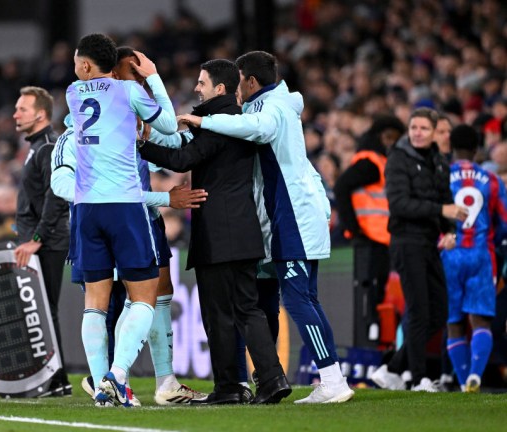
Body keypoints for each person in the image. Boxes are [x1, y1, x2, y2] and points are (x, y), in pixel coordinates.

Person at [177, 51, 353, 404]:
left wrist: (203, 123)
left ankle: (333, 379)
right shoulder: (263, 106)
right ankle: (261, 378)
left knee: (300, 297)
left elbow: (259, 129)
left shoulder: (274, 107)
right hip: (274, 219)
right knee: (263, 299)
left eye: (239, 80)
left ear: (250, 81)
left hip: (294, 216)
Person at [139, 58, 291, 405]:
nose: (196, 88)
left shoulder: (216, 125)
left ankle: (230, 387)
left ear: (220, 89)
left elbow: (181, 161)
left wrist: (139, 143)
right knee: (248, 309)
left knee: (220, 314)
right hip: (244, 230)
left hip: (219, 236)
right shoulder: (237, 123)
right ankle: (272, 377)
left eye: (202, 83)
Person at [65, 33, 178, 407]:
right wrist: (154, 77)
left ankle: (103, 390)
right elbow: (169, 127)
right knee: (144, 295)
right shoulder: (128, 92)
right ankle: (118, 375)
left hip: (85, 210)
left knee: (94, 304)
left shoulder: (72, 93)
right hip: (124, 206)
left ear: (84, 65)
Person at [371, 107, 469, 392]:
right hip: (406, 241)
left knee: (438, 312)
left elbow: (445, 201)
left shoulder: (439, 162)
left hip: (429, 243)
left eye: (424, 128)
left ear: (434, 132)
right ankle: (417, 378)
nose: (417, 132)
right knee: (418, 310)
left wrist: (450, 231)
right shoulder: (398, 160)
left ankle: (391, 369)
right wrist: (443, 210)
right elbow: (400, 204)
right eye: (414, 127)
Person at [12, 86, 71, 397]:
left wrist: (37, 238)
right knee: (40, 310)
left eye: (22, 109)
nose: (15, 114)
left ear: (40, 114)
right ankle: (53, 379)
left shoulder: (48, 145)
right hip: (40, 239)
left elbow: (56, 194)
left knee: (44, 311)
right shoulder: (38, 146)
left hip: (48, 241)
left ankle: (55, 379)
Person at [442, 124, 507, 393]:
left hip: (449, 253)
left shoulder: (442, 176)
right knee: (480, 320)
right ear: (477, 148)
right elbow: (504, 223)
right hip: (482, 255)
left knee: (454, 321)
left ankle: (462, 377)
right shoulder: (492, 180)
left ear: (451, 147)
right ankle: (476, 377)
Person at [334, 115, 405, 347]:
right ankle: (368, 340)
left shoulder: (381, 162)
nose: (391, 142)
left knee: (376, 290)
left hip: (379, 237)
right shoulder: (371, 163)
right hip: (369, 238)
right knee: (369, 291)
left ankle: (373, 338)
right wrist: (354, 229)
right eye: (388, 137)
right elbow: (342, 187)